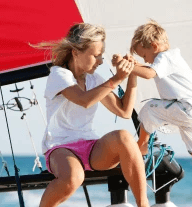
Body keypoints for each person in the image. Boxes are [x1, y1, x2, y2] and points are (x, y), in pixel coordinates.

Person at [39, 23, 149, 207]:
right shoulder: (59, 75)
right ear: (75, 52)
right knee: (74, 177)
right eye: (96, 55)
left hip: (90, 147)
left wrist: (132, 74)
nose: (100, 61)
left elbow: (124, 111)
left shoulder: (93, 79)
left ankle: (143, 204)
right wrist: (116, 79)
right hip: (60, 147)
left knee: (124, 136)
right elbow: (84, 100)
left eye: (102, 55)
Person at [125, 19, 192, 205]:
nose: (145, 60)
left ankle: (141, 147)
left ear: (155, 46)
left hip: (186, 109)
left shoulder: (164, 58)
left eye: (144, 55)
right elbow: (147, 69)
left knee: (149, 108)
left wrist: (130, 66)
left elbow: (149, 74)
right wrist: (134, 64)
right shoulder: (171, 58)